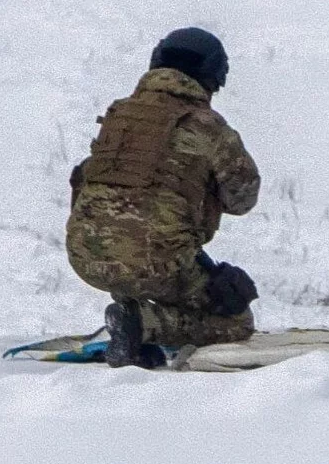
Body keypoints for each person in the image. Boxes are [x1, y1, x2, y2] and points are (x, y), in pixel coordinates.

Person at [67, 28, 260, 367]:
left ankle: (131, 310)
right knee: (236, 320)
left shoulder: (120, 115)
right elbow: (242, 199)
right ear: (213, 77)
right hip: (157, 264)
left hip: (86, 257)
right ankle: (145, 324)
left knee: (145, 240)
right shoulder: (209, 127)